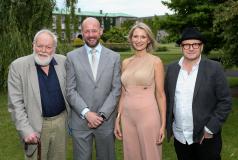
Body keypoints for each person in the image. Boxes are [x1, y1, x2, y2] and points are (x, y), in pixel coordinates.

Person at [165, 27, 232, 160]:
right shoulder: (172, 69)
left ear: (202, 47)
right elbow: (168, 99)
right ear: (181, 47)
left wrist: (210, 128)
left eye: (195, 44)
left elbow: (225, 101)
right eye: (187, 45)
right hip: (180, 137)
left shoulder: (214, 68)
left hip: (206, 136)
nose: (191, 48)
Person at [8, 29, 70, 160]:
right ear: (33, 45)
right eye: (39, 46)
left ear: (54, 48)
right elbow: (15, 103)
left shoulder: (64, 62)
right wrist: (26, 130)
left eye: (48, 47)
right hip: (35, 125)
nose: (43, 50)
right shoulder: (18, 66)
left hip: (61, 122)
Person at [65, 17, 121, 160]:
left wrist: (101, 116)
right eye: (87, 31)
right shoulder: (71, 57)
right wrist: (87, 113)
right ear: (82, 33)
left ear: (100, 31)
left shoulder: (114, 57)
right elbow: (70, 90)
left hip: (106, 121)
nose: (91, 35)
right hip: (80, 121)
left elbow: (116, 90)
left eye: (94, 31)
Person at [114, 22, 166, 160]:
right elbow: (123, 94)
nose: (139, 40)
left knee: (151, 155)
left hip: (148, 116)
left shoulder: (156, 62)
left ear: (148, 39)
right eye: (135, 36)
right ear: (131, 39)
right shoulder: (126, 62)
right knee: (131, 155)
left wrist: (163, 124)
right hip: (127, 117)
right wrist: (117, 119)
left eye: (143, 37)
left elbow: (160, 95)